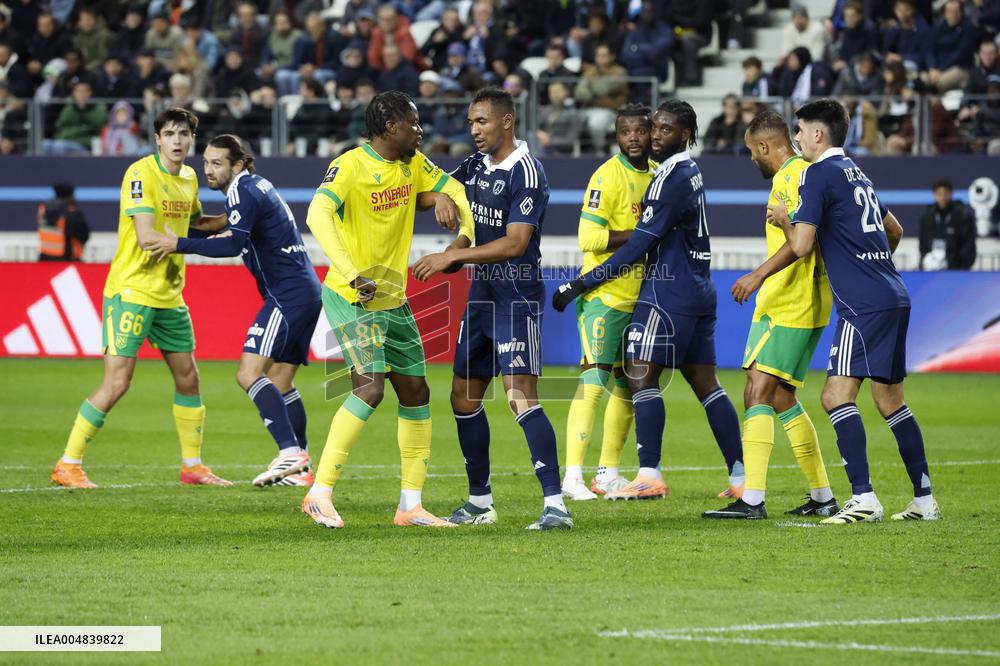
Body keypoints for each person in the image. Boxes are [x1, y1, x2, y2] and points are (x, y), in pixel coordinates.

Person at [552, 100, 745, 505]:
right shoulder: (678, 172)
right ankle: (740, 475)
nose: (651, 136)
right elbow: (593, 238)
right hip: (688, 289)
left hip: (665, 292)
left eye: (661, 129)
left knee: (638, 376)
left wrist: (578, 284)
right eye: (647, 128)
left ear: (686, 134)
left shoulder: (667, 177)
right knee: (702, 382)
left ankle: (646, 474)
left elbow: (641, 242)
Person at [300, 91, 474, 529]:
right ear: (391, 126)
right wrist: (353, 271)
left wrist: (445, 208)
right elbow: (317, 215)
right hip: (352, 294)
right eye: (414, 123)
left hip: (394, 300)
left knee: (416, 393)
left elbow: (455, 187)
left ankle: (410, 507)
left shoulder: (413, 164)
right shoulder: (350, 165)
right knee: (369, 389)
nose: (421, 130)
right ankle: (319, 494)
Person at [767, 98, 940, 523]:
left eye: (802, 130)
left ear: (818, 134)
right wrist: (871, 261)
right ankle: (924, 500)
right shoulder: (857, 173)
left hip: (862, 306)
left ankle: (863, 498)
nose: (798, 138)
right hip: (893, 293)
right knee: (890, 402)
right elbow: (894, 230)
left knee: (834, 397)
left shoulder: (817, 175)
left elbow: (803, 245)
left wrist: (784, 219)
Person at [411, 88, 571, 531]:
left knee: (520, 397)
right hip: (482, 293)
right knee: (463, 397)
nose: (474, 130)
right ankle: (480, 502)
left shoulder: (528, 171)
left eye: (481, 122)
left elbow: (516, 242)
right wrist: (444, 203)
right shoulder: (474, 166)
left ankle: (556, 505)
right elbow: (440, 196)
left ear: (506, 122)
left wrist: (453, 257)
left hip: (516, 292)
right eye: (469, 123)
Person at [50, 107, 232, 490]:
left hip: (170, 294)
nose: (178, 141)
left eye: (184, 134)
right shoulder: (140, 174)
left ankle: (192, 466)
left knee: (189, 378)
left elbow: (196, 224)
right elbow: (149, 239)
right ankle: (68, 463)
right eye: (170, 134)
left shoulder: (189, 179)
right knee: (118, 381)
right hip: (132, 291)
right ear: (157, 140)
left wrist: (239, 216)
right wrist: (204, 246)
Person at [146, 134, 323, 487]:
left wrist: (175, 243)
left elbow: (233, 243)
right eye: (206, 162)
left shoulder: (243, 189)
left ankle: (290, 452)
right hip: (305, 291)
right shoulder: (254, 188)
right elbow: (222, 224)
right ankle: (301, 469)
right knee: (281, 380)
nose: (208, 170)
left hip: (287, 295)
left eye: (217, 163)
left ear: (238, 163)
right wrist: (183, 218)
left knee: (247, 373)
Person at [703, 109, 838, 520]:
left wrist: (757, 275)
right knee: (781, 396)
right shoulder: (810, 173)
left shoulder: (787, 178)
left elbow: (802, 241)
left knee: (756, 392)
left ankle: (753, 500)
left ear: (765, 146)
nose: (751, 160)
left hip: (787, 301)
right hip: (809, 302)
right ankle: (822, 495)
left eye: (751, 151)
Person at [558, 104, 655, 501]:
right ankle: (572, 477)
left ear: (652, 134)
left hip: (639, 297)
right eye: (625, 131)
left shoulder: (656, 176)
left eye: (640, 131)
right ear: (617, 136)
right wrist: (642, 234)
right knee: (593, 382)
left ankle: (607, 473)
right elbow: (589, 239)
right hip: (604, 297)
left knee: (628, 386)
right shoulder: (607, 176)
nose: (633, 138)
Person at [918, 179, 977, 270]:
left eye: (945, 194)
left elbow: (968, 245)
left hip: (956, 269)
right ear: (934, 195)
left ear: (951, 194)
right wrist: (924, 261)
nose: (942, 197)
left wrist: (961, 266)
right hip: (931, 267)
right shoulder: (927, 217)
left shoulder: (962, 216)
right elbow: (923, 243)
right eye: (939, 194)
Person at [37, 182, 90, 262]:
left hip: (44, 259)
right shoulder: (72, 213)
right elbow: (84, 235)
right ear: (69, 196)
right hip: (67, 260)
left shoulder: (43, 210)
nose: (75, 198)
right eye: (73, 195)